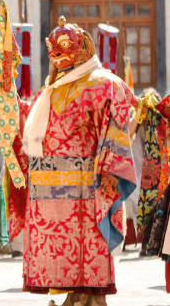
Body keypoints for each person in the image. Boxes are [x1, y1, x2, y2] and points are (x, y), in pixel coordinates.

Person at [21, 17, 137, 306]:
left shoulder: (104, 84)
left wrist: (112, 167)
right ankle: (69, 295)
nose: (55, 53)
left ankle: (88, 298)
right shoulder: (50, 89)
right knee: (57, 251)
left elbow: (119, 123)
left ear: (82, 47)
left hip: (86, 187)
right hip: (48, 191)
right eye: (52, 47)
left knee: (87, 246)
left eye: (63, 45)